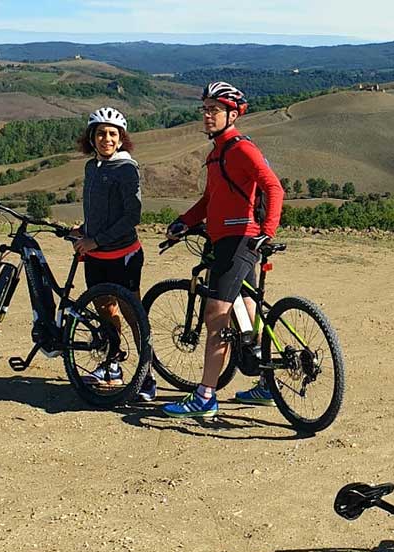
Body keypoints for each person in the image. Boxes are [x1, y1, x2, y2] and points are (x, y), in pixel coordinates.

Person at [162, 82, 283, 418]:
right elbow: (209, 201)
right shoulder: (216, 153)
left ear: (233, 114)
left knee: (215, 315)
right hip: (228, 240)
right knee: (245, 308)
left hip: (238, 240)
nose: (207, 115)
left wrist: (267, 232)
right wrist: (183, 223)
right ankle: (265, 380)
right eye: (205, 109)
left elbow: (274, 187)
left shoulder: (241, 149)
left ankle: (205, 396)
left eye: (214, 110)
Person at [70, 106, 156, 401]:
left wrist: (96, 240)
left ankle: (147, 378)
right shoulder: (91, 167)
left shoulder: (126, 168)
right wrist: (85, 230)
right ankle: (113, 365)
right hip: (96, 256)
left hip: (123, 255)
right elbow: (102, 210)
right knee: (105, 310)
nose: (106, 139)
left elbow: (132, 216)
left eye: (112, 134)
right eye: (101, 134)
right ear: (91, 138)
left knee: (133, 314)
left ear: (121, 139)